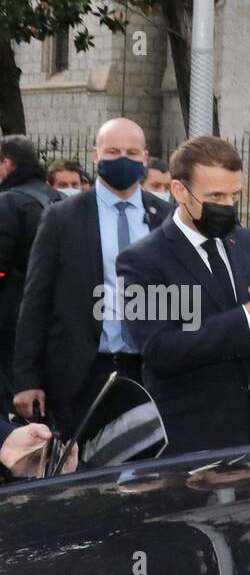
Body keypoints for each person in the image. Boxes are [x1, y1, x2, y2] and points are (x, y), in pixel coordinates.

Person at [116, 135, 250, 456]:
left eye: (234, 196)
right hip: (190, 439)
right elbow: (161, 350)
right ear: (180, 191)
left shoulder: (248, 242)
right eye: (215, 196)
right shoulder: (143, 260)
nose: (227, 206)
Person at [13, 117, 169, 434]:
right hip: (82, 374)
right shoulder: (61, 217)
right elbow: (36, 300)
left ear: (144, 156)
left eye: (131, 151)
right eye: (112, 151)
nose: (122, 158)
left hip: (150, 371)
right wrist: (27, 379)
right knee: (83, 475)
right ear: (95, 155)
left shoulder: (167, 217)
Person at [0, 136, 60, 413]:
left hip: (13, 318)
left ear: (7, 164)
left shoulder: (9, 203)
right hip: (57, 314)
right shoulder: (57, 198)